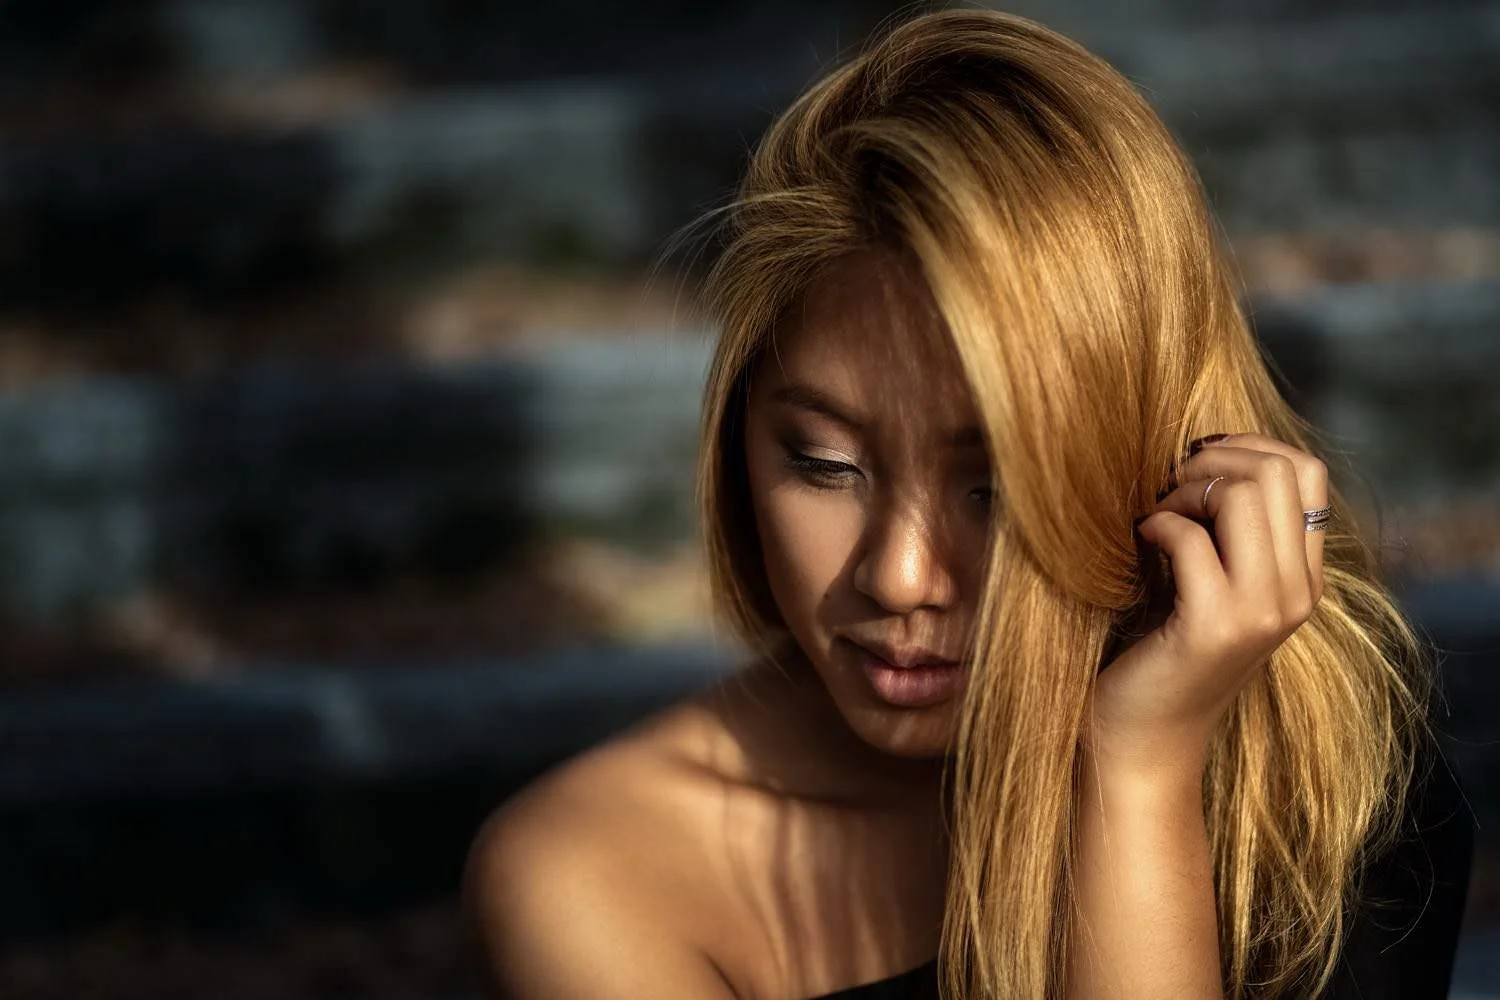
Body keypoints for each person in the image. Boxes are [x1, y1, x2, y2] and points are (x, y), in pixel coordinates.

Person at [463, 9, 1473, 998]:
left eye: (993, 486)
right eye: (822, 463)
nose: (899, 575)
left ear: (1154, 453)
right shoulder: (601, 875)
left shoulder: (1316, 752)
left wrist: (1134, 770)